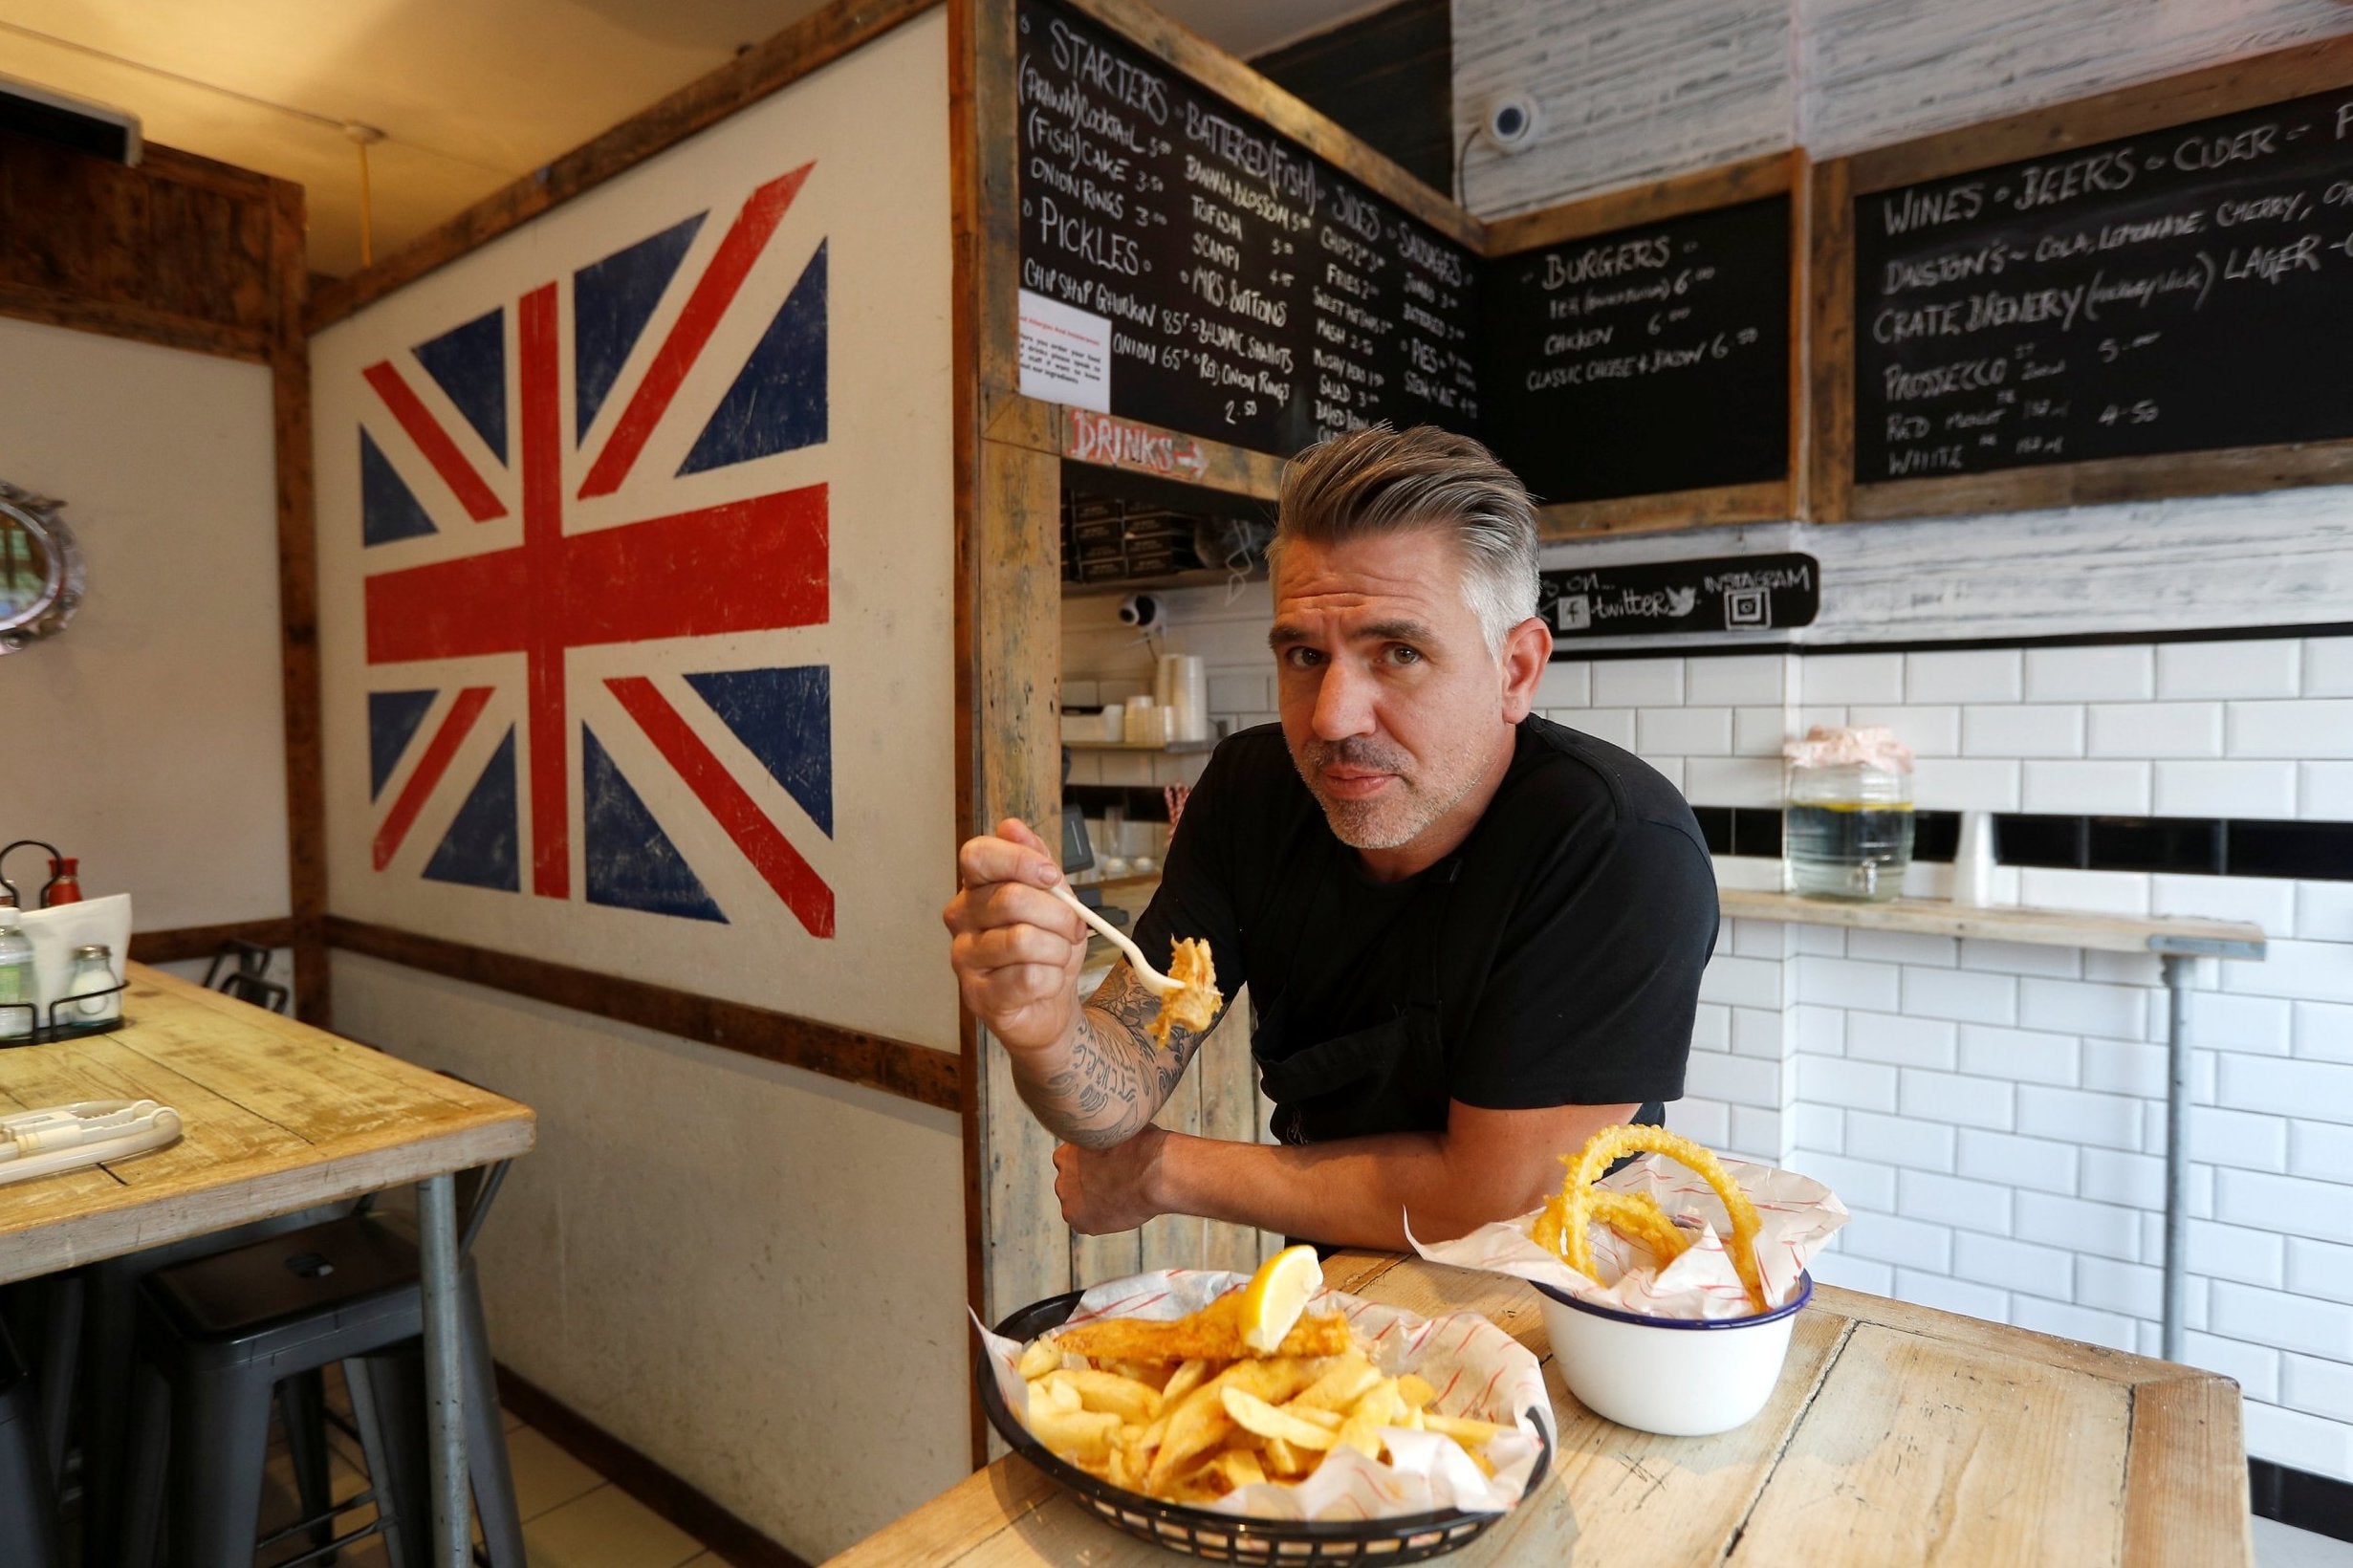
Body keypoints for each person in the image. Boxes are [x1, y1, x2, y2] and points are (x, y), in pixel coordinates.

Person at [944, 425, 1718, 1250]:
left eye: (1398, 652)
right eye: (1305, 655)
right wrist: (1045, 1029)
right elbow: (1122, 1077)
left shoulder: (1617, 843)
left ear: (1515, 670)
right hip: (1340, 1288)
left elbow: (1494, 1199)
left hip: (1560, 1297)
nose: (1331, 718)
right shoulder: (1252, 790)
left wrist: (1156, 1172)